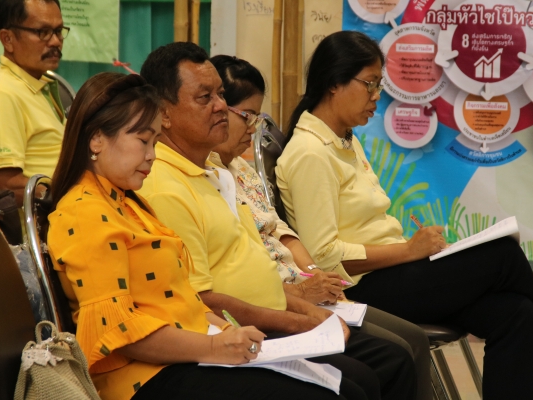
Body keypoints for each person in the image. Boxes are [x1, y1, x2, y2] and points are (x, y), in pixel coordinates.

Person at [275, 30, 533, 400]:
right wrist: (409, 250)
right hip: (360, 288)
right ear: (334, 82)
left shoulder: (344, 139)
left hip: (392, 273)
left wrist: (412, 250)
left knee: (516, 311)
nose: (376, 96)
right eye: (370, 84)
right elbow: (325, 257)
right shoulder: (311, 153)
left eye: (379, 85)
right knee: (503, 255)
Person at [46, 71, 373, 400]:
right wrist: (217, 346)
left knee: (354, 383)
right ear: (96, 139)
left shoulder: (128, 203)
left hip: (192, 352)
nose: (151, 155)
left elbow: (184, 299)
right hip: (144, 377)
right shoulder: (84, 212)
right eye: (142, 141)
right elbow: (121, 334)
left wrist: (229, 332)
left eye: (154, 143)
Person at [138, 42, 416, 400]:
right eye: (205, 97)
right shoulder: (165, 187)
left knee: (388, 362)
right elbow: (203, 302)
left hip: (274, 312)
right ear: (163, 114)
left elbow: (265, 262)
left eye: (221, 95)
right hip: (237, 332)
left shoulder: (214, 172)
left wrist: (307, 309)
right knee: (360, 381)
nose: (221, 106)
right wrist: (303, 319)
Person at [209, 54, 433, 400]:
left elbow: (280, 231)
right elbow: (234, 277)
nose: (252, 129)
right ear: (334, 85)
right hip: (275, 301)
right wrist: (302, 296)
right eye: (370, 84)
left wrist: (313, 275)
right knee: (390, 360)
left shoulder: (240, 168)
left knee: (413, 343)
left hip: (303, 289)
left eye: (257, 118)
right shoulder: (303, 153)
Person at [0, 0, 68, 205]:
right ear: (7, 39)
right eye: (42, 32)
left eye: (58, 31)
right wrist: (70, 196)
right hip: (46, 218)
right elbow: (5, 185)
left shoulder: (42, 85)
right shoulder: (3, 92)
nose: (55, 42)